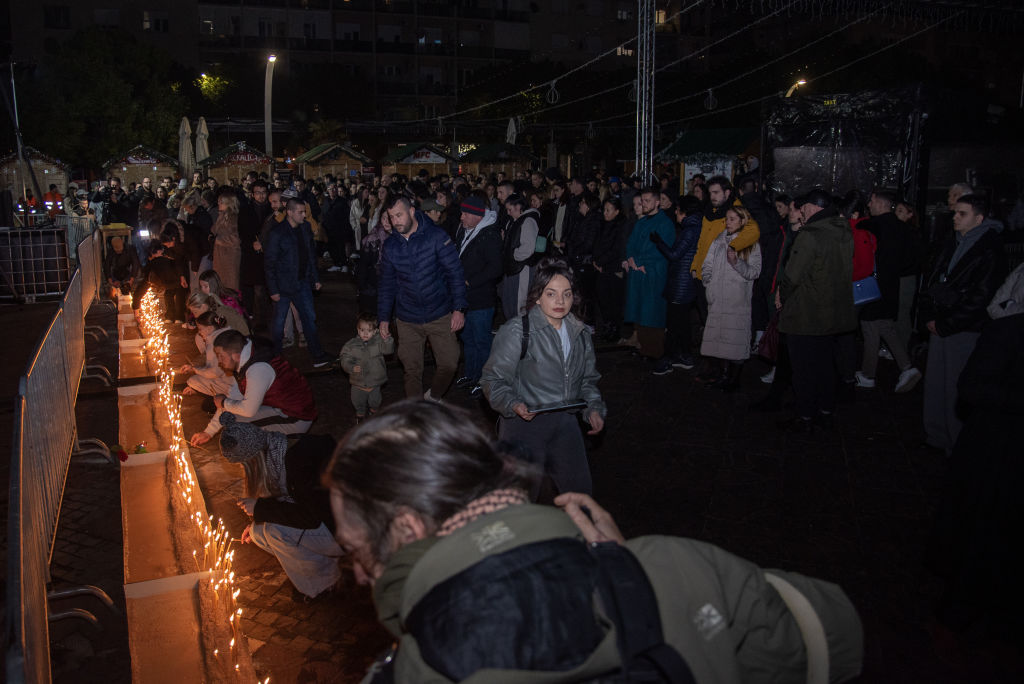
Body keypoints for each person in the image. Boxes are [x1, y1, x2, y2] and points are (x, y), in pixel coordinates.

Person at [325, 400, 864, 684]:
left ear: (408, 529)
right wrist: (634, 576)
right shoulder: (669, 564)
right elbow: (833, 630)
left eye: (355, 549)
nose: (356, 573)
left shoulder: (418, 671)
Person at [481, 259, 605, 497]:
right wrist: (513, 403)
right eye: (551, 294)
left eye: (566, 294)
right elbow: (492, 380)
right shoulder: (518, 331)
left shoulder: (580, 333)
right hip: (523, 425)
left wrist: (593, 409)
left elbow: (588, 380)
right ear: (538, 297)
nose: (560, 301)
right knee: (521, 500)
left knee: (580, 496)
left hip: (565, 422)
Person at [918, 193, 1007, 455]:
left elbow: (982, 296)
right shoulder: (952, 241)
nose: (955, 217)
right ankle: (936, 436)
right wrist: (929, 316)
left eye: (962, 213)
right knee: (935, 383)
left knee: (955, 386)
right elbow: (933, 278)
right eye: (955, 213)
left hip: (963, 328)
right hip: (941, 321)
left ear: (979, 218)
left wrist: (947, 323)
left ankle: (957, 444)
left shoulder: (989, 249)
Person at [220, 415, 342, 602]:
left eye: (244, 465)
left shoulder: (299, 462)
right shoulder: (279, 448)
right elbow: (293, 502)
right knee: (259, 532)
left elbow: (310, 517)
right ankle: (325, 566)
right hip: (328, 523)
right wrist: (260, 514)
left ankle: (322, 588)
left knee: (275, 531)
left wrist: (261, 508)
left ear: (254, 459)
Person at [776, 190, 855, 433]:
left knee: (803, 367)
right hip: (833, 310)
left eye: (804, 207)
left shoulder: (810, 235)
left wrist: (782, 296)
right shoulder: (842, 230)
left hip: (807, 312)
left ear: (813, 207)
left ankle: (805, 414)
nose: (802, 212)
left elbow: (793, 275)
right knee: (825, 364)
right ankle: (825, 410)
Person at [377, 195, 467, 399]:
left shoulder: (436, 236)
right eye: (391, 217)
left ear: (411, 211)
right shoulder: (391, 246)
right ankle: (416, 413)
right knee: (412, 370)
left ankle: (434, 396)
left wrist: (459, 308)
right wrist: (383, 317)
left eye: (399, 215)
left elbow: (455, 273)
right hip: (407, 317)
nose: (395, 221)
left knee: (450, 363)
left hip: (440, 313)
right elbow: (386, 285)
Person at [190, 331, 317, 446]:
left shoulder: (257, 369)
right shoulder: (246, 358)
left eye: (221, 356)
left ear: (235, 356)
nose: (219, 361)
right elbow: (233, 397)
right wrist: (209, 432)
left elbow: (248, 410)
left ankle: (272, 456)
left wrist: (223, 402)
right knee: (229, 417)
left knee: (235, 432)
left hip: (295, 417)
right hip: (277, 407)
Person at [853, 190, 922, 393]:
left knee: (870, 327)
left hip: (875, 287)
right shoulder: (902, 228)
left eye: (871, 201)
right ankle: (907, 367)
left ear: (879, 202)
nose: (869, 205)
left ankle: (868, 374)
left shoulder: (876, 226)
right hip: (891, 286)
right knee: (886, 327)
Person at [264, 198, 333, 368]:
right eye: (300, 212)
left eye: (305, 211)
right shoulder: (277, 233)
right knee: (279, 324)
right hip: (283, 286)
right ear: (289, 212)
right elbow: (269, 263)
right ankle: (276, 359)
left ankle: (317, 356)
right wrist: (273, 289)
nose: (304, 215)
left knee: (309, 319)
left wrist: (315, 279)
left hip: (301, 283)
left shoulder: (305, 228)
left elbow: (310, 256)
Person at [700, 206, 762, 391]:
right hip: (717, 298)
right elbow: (707, 263)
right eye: (727, 219)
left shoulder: (751, 244)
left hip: (736, 300)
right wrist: (707, 281)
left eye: (733, 219)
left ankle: (734, 380)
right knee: (719, 339)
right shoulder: (719, 240)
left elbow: (754, 272)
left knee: (734, 340)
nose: (728, 223)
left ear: (743, 221)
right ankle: (722, 374)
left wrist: (737, 263)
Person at [453, 195, 502, 396]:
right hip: (466, 299)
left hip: (481, 299)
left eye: (464, 213)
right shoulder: (466, 231)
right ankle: (472, 374)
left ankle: (485, 382)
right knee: (468, 338)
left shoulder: (489, 235)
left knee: (481, 341)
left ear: (475, 215)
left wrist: (470, 281)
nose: (461, 217)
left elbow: (496, 268)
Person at [650, 195, 703, 375]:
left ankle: (668, 358)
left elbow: (674, 254)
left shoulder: (690, 229)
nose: (675, 212)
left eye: (677, 209)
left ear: (684, 211)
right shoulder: (693, 226)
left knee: (674, 324)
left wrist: (659, 242)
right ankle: (685, 356)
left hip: (682, 284)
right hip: (683, 283)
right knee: (681, 323)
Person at [622, 187, 675, 358]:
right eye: (642, 201)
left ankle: (654, 351)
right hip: (638, 273)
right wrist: (631, 258)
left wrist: (640, 261)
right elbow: (631, 243)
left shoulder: (665, 223)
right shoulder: (641, 222)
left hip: (653, 273)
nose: (644, 204)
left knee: (652, 312)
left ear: (657, 202)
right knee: (639, 311)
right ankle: (643, 346)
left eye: (647, 201)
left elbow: (662, 249)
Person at [339, 313, 396, 422]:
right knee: (357, 400)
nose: (365, 333)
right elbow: (344, 357)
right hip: (358, 381)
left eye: (369, 331)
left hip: (375, 381)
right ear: (357, 329)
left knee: (375, 401)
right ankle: (360, 414)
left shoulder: (379, 341)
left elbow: (388, 350)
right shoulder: (351, 345)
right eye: (362, 330)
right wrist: (351, 367)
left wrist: (387, 339)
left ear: (375, 331)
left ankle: (373, 412)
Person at [591, 196, 629, 344]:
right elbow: (597, 243)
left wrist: (601, 261)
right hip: (601, 267)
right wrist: (595, 260)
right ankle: (607, 327)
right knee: (603, 299)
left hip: (613, 268)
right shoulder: (603, 225)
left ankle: (615, 330)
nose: (605, 213)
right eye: (604, 210)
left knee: (614, 301)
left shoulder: (620, 227)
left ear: (617, 211)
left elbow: (616, 249)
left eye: (609, 210)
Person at [500, 193, 540, 321]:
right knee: (513, 299)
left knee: (520, 301)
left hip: (522, 268)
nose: (508, 213)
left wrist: (513, 255)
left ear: (518, 206)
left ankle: (521, 330)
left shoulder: (528, 220)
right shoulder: (520, 220)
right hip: (516, 267)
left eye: (510, 209)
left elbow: (528, 248)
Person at [179, 311, 236, 398]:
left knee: (192, 381)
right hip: (234, 379)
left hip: (231, 385)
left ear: (209, 328)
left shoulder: (214, 343)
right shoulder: (226, 333)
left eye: (200, 329)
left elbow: (215, 372)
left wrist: (195, 370)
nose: (199, 332)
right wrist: (194, 367)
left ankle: (218, 398)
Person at [132, 241, 188, 323]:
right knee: (168, 295)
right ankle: (170, 317)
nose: (153, 286)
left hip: (179, 279)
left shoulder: (169, 265)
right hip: (171, 281)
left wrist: (182, 277)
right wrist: (136, 312)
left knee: (177, 296)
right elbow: (139, 292)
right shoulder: (150, 274)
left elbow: (179, 268)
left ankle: (178, 318)